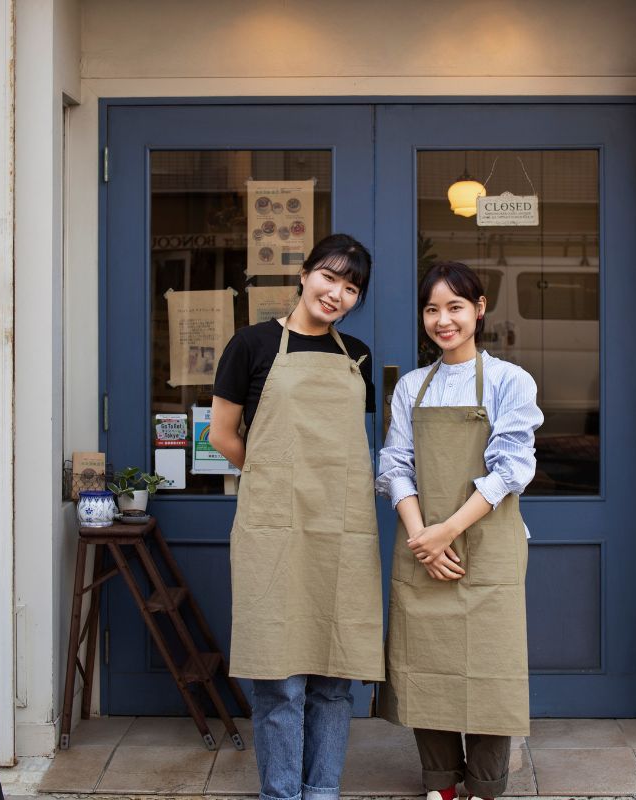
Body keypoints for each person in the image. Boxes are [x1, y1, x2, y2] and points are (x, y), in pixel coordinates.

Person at [209, 233, 383, 800]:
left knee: (334, 680)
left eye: (351, 287)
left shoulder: (356, 354)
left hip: (341, 531)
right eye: (329, 277)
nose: (336, 293)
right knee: (280, 681)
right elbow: (222, 436)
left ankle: (322, 792)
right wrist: (271, 476)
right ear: (304, 274)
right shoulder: (251, 345)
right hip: (274, 530)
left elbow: (349, 444)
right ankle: (283, 795)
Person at [376, 261, 542, 800]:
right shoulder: (410, 388)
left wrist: (446, 530)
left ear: (479, 309)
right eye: (432, 309)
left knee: (491, 670)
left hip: (485, 547)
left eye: (455, 307)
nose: (443, 320)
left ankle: (486, 786)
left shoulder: (508, 381)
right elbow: (395, 466)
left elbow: (513, 469)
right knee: (427, 663)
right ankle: (441, 784)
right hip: (423, 544)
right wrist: (422, 538)